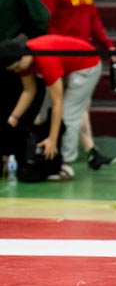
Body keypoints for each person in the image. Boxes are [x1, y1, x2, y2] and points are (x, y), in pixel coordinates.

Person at [40, 0, 116, 170]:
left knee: (80, 107)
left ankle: (90, 152)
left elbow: (93, 20)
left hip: (82, 59)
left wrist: (107, 44)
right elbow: (43, 23)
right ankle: (62, 158)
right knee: (65, 108)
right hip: (60, 60)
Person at [3, 34, 102, 181]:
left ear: (23, 58)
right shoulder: (23, 60)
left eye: (17, 67)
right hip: (67, 67)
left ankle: (66, 165)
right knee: (41, 115)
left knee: (68, 115)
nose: (17, 71)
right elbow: (29, 90)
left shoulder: (46, 60)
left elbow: (58, 102)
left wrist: (52, 140)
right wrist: (14, 116)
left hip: (87, 65)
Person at [0, 0, 50, 170]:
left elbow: (41, 20)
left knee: (12, 114)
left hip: (13, 65)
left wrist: (29, 50)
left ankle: (15, 161)